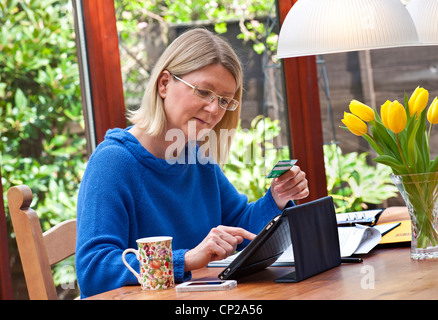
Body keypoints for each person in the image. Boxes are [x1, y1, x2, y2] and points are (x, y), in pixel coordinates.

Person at [75, 28, 309, 298]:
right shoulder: (113, 163)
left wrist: (277, 198)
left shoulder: (193, 155)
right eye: (203, 92)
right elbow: (94, 271)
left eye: (224, 100)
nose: (214, 110)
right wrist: (186, 259)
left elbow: (241, 226)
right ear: (164, 84)